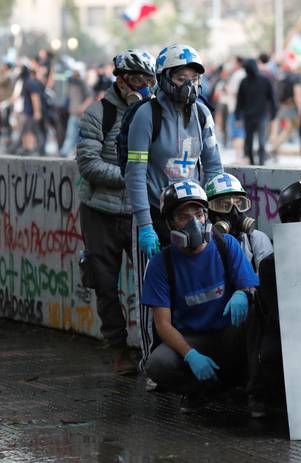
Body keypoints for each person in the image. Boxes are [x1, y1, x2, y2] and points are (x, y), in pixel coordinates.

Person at [142, 180, 259, 413]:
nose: (194, 222)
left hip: (229, 333)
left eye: (199, 213)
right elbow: (162, 324)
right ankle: (200, 391)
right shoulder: (160, 265)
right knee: (158, 364)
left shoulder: (227, 245)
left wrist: (242, 294)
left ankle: (252, 390)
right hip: (193, 339)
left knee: (256, 318)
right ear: (169, 223)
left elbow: (251, 287)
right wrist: (190, 355)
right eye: (184, 216)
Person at [76, 49, 157, 375]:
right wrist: (130, 177)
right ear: (121, 80)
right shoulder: (98, 114)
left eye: (149, 79)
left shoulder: (152, 112)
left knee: (152, 281)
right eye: (137, 79)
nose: (144, 85)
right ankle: (119, 349)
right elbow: (88, 163)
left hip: (140, 213)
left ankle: (155, 346)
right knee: (105, 284)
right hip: (101, 213)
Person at [125, 43, 223, 257]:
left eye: (195, 79)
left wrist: (214, 213)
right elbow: (136, 173)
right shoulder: (146, 115)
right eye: (181, 78)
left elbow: (214, 166)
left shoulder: (203, 114)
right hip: (157, 216)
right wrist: (145, 225)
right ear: (164, 78)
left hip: (195, 213)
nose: (189, 85)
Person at [250, 178, 301, 414]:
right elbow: (283, 318)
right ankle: (265, 394)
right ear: (291, 221)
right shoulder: (271, 265)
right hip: (289, 333)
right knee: (272, 353)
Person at [204, 173, 273, 271]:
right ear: (209, 211)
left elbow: (267, 280)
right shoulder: (203, 245)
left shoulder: (256, 239)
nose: (235, 213)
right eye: (224, 205)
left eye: (239, 204)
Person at [234, 59, 277, 165]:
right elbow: (240, 100)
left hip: (261, 116)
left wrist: (273, 114)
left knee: (260, 143)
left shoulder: (263, 81)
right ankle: (253, 163)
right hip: (251, 116)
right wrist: (238, 117)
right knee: (249, 142)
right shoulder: (245, 82)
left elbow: (271, 98)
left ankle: (261, 163)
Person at [59, 66, 93, 157]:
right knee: (71, 134)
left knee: (78, 135)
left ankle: (73, 152)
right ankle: (66, 152)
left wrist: (83, 107)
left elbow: (89, 97)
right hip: (73, 113)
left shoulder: (82, 84)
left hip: (80, 114)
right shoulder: (70, 84)